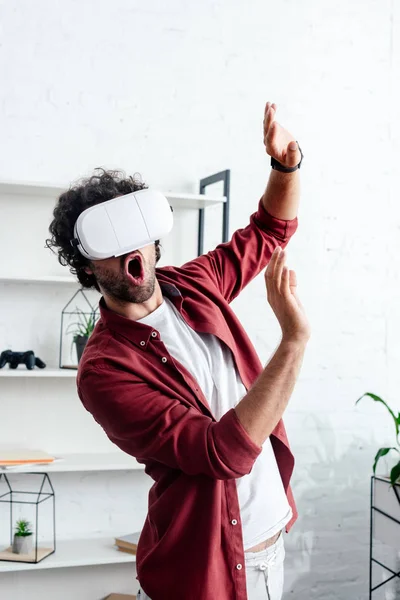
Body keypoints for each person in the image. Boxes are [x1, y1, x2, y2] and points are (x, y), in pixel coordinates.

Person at [46, 102, 310, 600]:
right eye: (108, 242)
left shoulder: (196, 284)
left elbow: (270, 230)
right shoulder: (104, 371)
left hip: (271, 549)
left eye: (135, 233)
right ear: (85, 269)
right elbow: (222, 451)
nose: (130, 250)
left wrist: (286, 164)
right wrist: (293, 340)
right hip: (207, 572)